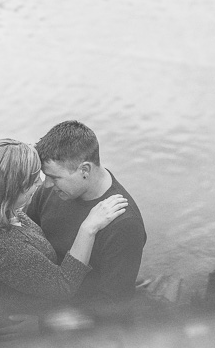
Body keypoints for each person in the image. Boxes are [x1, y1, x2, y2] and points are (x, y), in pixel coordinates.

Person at [0, 139, 128, 328]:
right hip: (20, 328)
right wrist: (88, 228)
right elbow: (62, 285)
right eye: (33, 181)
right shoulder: (5, 245)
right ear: (10, 190)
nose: (41, 183)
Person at [26, 120, 146, 312]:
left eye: (55, 177)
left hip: (82, 331)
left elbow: (115, 302)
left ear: (85, 170)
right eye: (45, 175)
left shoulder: (124, 224)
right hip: (44, 305)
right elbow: (22, 239)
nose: (46, 184)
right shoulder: (51, 191)